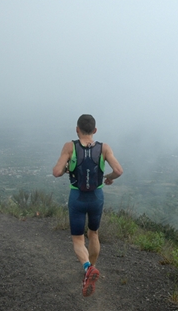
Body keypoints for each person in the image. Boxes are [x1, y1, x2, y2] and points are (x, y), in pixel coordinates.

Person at [53, 114, 123, 297]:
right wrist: (107, 178)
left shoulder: (70, 147)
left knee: (77, 239)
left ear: (77, 129)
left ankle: (86, 268)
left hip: (77, 197)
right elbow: (118, 170)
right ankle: (91, 269)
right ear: (95, 130)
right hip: (96, 197)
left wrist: (67, 169)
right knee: (93, 234)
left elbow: (56, 171)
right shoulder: (104, 148)